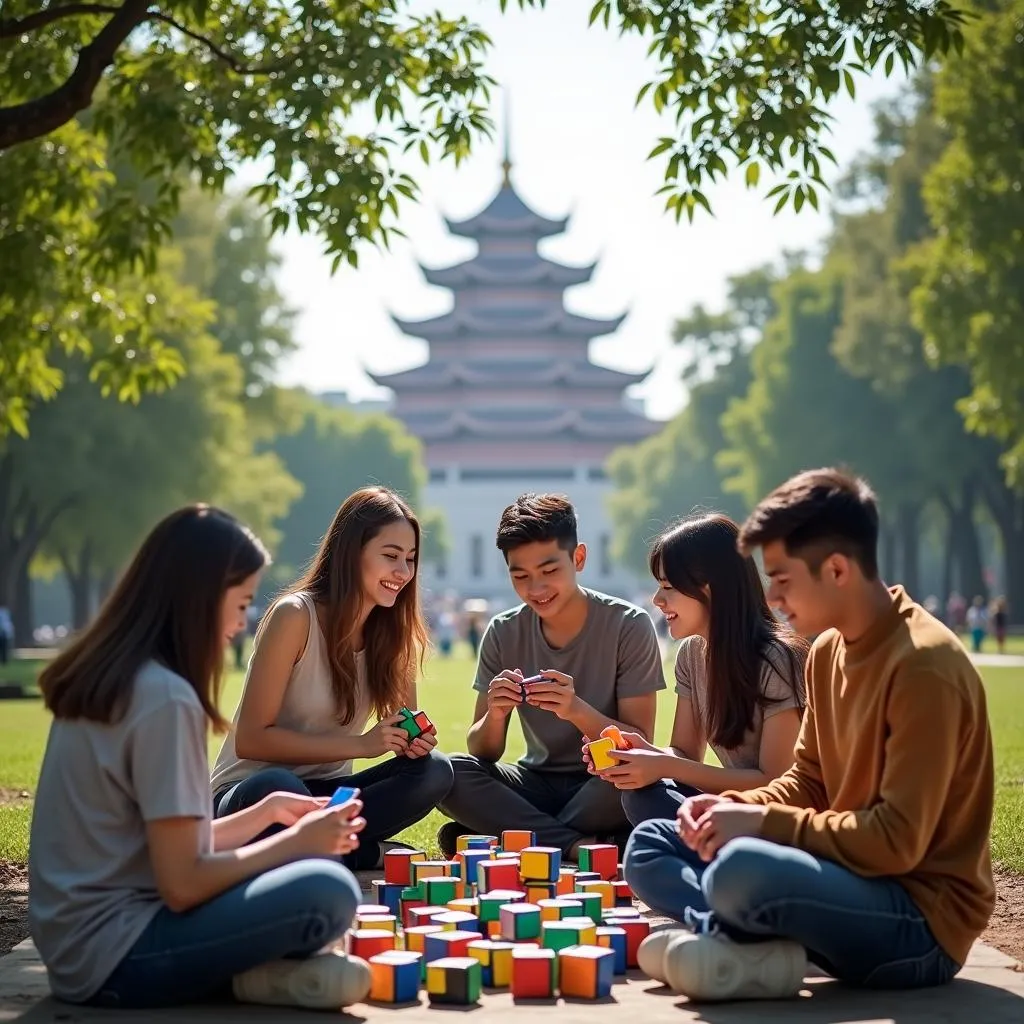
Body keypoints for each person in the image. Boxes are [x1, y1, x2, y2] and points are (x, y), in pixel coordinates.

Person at [624, 468, 994, 1002]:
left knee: (740, 869)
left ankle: (731, 932)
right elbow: (807, 779)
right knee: (653, 842)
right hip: (839, 871)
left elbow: (896, 842)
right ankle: (744, 938)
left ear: (838, 569)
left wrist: (758, 821)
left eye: (782, 578)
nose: (771, 596)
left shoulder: (923, 666)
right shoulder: (825, 652)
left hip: (918, 922)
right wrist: (726, 808)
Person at [28, 505, 371, 1011]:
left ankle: (250, 980)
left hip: (74, 949)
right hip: (119, 956)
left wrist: (265, 814)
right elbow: (184, 883)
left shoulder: (110, 679)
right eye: (240, 604)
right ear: (200, 599)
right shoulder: (164, 698)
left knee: (291, 869)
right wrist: (296, 842)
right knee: (328, 890)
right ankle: (245, 976)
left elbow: (155, 847)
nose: (241, 623)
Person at [211, 486, 453, 870]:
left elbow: (406, 728)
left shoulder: (393, 632)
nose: (403, 573)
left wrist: (414, 740)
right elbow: (252, 739)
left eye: (410, 559)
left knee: (435, 770)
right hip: (252, 793)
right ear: (351, 553)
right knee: (278, 787)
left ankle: (320, 848)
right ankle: (366, 853)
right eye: (390, 557)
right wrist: (360, 745)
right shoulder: (295, 616)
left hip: (330, 798)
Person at [437, 493, 665, 860]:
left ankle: (511, 837)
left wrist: (575, 709)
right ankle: (575, 845)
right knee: (448, 773)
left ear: (578, 558)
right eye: (521, 576)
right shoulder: (503, 631)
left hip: (603, 781)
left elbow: (639, 743)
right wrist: (495, 714)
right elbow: (483, 751)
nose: (536, 589)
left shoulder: (628, 625)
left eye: (549, 571)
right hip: (535, 781)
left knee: (634, 779)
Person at [591, 514, 806, 826]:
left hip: (779, 820)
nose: (657, 600)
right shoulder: (692, 654)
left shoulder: (777, 659)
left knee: (656, 821)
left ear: (710, 589)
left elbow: (775, 783)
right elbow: (685, 754)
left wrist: (662, 765)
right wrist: (639, 754)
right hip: (726, 809)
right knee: (643, 796)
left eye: (668, 586)